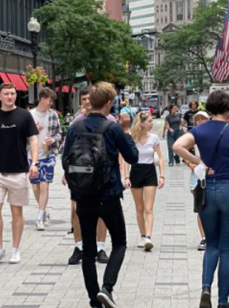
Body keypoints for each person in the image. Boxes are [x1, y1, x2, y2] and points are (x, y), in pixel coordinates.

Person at [173, 90, 229, 308]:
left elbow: (177, 146)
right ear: (228, 109)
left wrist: (199, 162)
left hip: (207, 189)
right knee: (227, 247)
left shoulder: (199, 130)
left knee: (211, 244)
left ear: (208, 109)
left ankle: (206, 287)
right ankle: (223, 302)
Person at [63, 82, 138, 308]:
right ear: (108, 103)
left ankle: (94, 299)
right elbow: (133, 157)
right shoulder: (113, 128)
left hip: (84, 195)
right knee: (120, 243)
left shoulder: (75, 127)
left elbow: (65, 159)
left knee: (87, 249)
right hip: (109, 193)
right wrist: (126, 130)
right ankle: (107, 287)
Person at [0, 83, 39, 265]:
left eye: (13, 93)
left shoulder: (24, 115)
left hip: (19, 170)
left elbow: (33, 139)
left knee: (16, 210)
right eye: (7, 94)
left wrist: (34, 163)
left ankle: (15, 249)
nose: (10, 96)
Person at [65, 87, 114, 266]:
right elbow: (67, 150)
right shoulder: (76, 123)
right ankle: (79, 246)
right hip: (79, 173)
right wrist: (66, 172)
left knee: (101, 210)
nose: (87, 102)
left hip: (101, 174)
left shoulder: (109, 120)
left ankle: (100, 247)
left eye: (89, 98)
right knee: (75, 210)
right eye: (84, 99)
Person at [124, 111, 165, 251]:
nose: (151, 123)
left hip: (149, 172)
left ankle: (148, 236)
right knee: (139, 208)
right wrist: (126, 176)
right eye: (149, 121)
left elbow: (160, 158)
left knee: (149, 208)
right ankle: (142, 235)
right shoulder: (131, 138)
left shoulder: (154, 138)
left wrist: (162, 176)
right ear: (141, 124)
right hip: (135, 171)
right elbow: (126, 159)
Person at [29, 88, 62, 231]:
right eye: (50, 100)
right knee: (35, 187)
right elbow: (21, 136)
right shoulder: (29, 116)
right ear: (42, 99)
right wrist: (33, 130)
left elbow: (60, 134)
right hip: (32, 157)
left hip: (48, 156)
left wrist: (53, 140)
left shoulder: (53, 115)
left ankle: (39, 217)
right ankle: (44, 210)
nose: (51, 103)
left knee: (44, 185)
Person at [187, 111, 210, 251]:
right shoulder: (192, 136)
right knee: (201, 207)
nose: (200, 121)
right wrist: (191, 164)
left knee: (211, 207)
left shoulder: (214, 135)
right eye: (197, 119)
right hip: (197, 176)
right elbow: (182, 152)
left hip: (212, 175)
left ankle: (211, 236)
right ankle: (203, 237)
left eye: (203, 119)